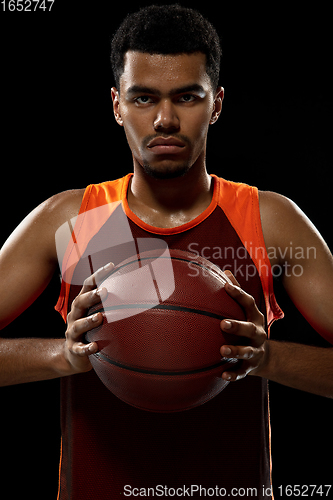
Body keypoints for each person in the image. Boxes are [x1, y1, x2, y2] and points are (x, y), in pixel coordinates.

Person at [0, 4, 332, 499]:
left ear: (217, 103)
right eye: (143, 98)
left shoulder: (266, 218)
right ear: (116, 105)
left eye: (187, 97)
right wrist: (61, 357)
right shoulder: (74, 219)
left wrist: (267, 359)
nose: (165, 119)